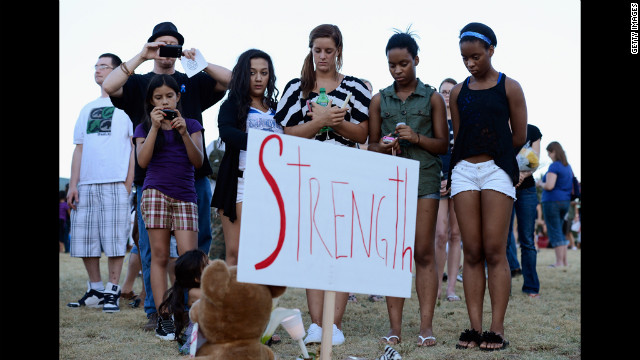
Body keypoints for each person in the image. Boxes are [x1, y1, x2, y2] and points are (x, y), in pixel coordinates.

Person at [102, 21, 231, 331]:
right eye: (161, 44)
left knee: (197, 248)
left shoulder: (192, 81)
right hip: (152, 180)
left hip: (193, 178)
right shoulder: (140, 83)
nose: (166, 50)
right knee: (152, 250)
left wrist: (198, 61)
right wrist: (142, 56)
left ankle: (194, 314)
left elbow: (229, 81)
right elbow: (109, 86)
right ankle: (157, 314)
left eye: (172, 45)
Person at [274, 24, 371, 346]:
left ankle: (335, 323)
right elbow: (285, 134)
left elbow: (364, 134)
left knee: (339, 250)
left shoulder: (356, 88)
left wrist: (337, 122)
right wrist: (317, 123)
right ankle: (317, 324)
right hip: (305, 176)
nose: (323, 56)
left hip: (345, 174)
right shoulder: (294, 88)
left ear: (339, 51)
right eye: (317, 50)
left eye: (329, 50)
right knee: (312, 250)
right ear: (310, 50)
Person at [447, 22, 527, 351]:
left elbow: (519, 135)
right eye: (465, 58)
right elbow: (461, 134)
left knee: (495, 250)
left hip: (496, 170)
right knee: (473, 250)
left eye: (476, 56)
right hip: (464, 171)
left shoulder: (510, 87)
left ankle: (496, 328)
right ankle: (474, 327)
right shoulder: (457, 92)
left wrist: (499, 158)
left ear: (491, 50)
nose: (470, 63)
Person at [367, 29, 448, 347]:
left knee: (423, 251)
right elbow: (371, 146)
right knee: (394, 256)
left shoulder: (433, 97)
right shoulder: (379, 100)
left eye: (403, 63)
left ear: (416, 60)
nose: (397, 70)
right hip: (390, 182)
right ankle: (394, 328)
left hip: (425, 179)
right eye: (391, 65)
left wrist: (416, 138)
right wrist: (386, 145)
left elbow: (442, 144)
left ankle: (426, 327)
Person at [133, 73, 205, 340]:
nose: (164, 102)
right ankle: (164, 318)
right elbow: (142, 161)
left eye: (169, 96)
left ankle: (191, 316)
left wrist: (184, 132)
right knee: (159, 257)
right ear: (151, 102)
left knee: (191, 261)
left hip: (186, 195)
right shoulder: (142, 128)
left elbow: (198, 162)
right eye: (158, 98)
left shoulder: (193, 124)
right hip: (155, 194)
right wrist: (153, 128)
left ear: (178, 97)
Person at [66, 53, 135, 313]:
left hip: (115, 183)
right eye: (96, 66)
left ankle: (112, 290)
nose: (98, 70)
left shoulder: (126, 107)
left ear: (118, 71)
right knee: (85, 239)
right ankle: (95, 289)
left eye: (104, 66)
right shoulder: (87, 108)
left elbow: (132, 148)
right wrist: (74, 184)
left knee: (115, 239)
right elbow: (79, 149)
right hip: (86, 184)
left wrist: (128, 183)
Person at [211, 48, 281, 266]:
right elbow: (227, 133)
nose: (258, 78)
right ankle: (233, 300)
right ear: (242, 74)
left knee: (265, 250)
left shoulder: (278, 108)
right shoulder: (232, 104)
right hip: (240, 182)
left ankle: (257, 300)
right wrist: (264, 144)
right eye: (252, 73)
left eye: (264, 72)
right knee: (236, 252)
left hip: (273, 185)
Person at [434, 77, 462, 302]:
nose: (445, 95)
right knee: (440, 234)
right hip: (439, 181)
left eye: (450, 92)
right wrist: (441, 179)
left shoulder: (463, 120)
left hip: (460, 181)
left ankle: (451, 288)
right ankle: (436, 287)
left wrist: (453, 179)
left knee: (456, 234)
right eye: (442, 91)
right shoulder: (434, 122)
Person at [506, 124, 543, 298]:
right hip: (503, 187)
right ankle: (505, 286)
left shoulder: (533, 131)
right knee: (503, 238)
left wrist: (522, 175)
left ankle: (531, 286)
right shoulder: (498, 128)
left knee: (527, 239)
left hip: (526, 189)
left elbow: (535, 160)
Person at [157, 249, 209, 352]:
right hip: (201, 334)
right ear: (197, 278)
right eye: (206, 264)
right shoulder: (194, 293)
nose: (211, 266)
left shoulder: (191, 289)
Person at [536, 141, 574, 268]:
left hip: (552, 201)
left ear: (555, 151)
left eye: (550, 152)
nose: (548, 155)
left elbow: (549, 185)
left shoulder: (554, 166)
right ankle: (564, 262)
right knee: (560, 231)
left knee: (554, 230)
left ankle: (558, 262)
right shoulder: (567, 167)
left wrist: (540, 183)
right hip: (565, 201)